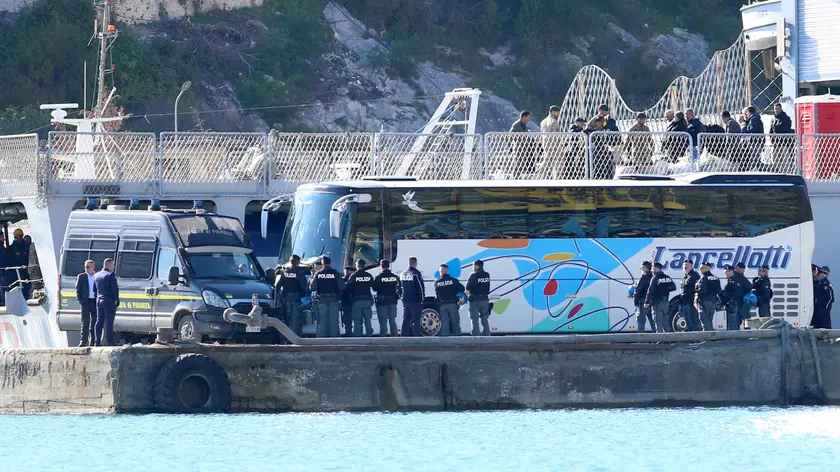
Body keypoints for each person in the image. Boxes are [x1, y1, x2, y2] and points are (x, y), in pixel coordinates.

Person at [309, 256, 344, 337]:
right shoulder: (335, 273)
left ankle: (322, 339)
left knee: (322, 320)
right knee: (333, 320)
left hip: (321, 300)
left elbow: (312, 288)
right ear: (330, 263)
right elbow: (342, 287)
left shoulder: (318, 273)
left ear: (322, 263)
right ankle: (334, 339)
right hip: (333, 299)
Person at [277, 255, 309, 335]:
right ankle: (293, 337)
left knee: (289, 317)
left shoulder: (285, 272)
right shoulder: (299, 272)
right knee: (296, 319)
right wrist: (306, 297)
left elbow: (278, 285)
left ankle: (288, 336)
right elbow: (304, 286)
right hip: (297, 298)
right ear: (298, 262)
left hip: (287, 298)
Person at [93, 258, 119, 346]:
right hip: (109, 301)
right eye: (113, 265)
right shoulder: (110, 275)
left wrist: (98, 297)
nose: (113, 267)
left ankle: (97, 341)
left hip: (99, 300)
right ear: (109, 265)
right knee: (109, 321)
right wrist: (116, 299)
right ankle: (110, 341)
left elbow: (94, 290)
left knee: (99, 321)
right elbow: (114, 290)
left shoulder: (96, 275)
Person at [434, 264, 465, 336]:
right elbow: (462, 289)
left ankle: (445, 339)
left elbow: (437, 294)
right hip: (453, 304)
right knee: (455, 322)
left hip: (443, 305)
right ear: (447, 271)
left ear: (440, 271)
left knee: (444, 323)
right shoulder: (453, 280)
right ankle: (457, 338)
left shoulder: (437, 282)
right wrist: (459, 298)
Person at [644, 262, 675, 333]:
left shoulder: (655, 278)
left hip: (657, 303)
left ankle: (659, 338)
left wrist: (647, 302)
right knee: (665, 322)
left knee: (658, 322)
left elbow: (650, 291)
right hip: (666, 303)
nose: (652, 270)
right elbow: (674, 287)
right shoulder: (667, 277)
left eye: (652, 268)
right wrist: (666, 290)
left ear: (656, 268)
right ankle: (668, 337)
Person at [373, 259, 401, 337]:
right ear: (389, 266)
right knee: (392, 320)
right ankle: (395, 337)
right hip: (392, 301)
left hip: (382, 302)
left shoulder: (379, 277)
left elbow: (374, 288)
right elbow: (399, 287)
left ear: (381, 266)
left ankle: (383, 339)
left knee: (383, 321)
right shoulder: (395, 277)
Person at [347, 259, 374, 337]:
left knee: (357, 320)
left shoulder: (353, 276)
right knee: (367, 319)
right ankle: (369, 335)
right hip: (367, 300)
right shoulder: (368, 275)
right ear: (364, 265)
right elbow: (374, 286)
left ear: (357, 265)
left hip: (357, 301)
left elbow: (348, 288)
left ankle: (358, 336)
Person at [400, 256, 425, 336]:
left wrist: (401, 296)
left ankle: (403, 336)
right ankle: (416, 337)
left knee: (405, 319)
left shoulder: (402, 274)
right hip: (415, 301)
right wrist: (422, 300)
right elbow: (420, 288)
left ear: (408, 263)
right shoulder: (416, 274)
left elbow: (398, 287)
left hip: (405, 300)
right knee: (416, 320)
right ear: (415, 263)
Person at [722, 264, 751, 330]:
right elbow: (749, 287)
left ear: (731, 271)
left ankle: (735, 336)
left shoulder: (732, 280)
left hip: (735, 304)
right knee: (746, 321)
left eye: (726, 272)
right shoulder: (740, 277)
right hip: (742, 303)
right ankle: (748, 334)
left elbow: (727, 293)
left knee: (734, 323)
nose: (725, 274)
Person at [466, 259, 491, 336]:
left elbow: (467, 288)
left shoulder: (473, 275)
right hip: (485, 300)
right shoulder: (487, 275)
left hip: (475, 300)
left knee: (474, 318)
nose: (473, 267)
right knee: (484, 318)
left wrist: (468, 296)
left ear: (476, 266)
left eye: (473, 265)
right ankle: (487, 333)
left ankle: (476, 334)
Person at [75, 260, 97, 347]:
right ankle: (83, 342)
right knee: (85, 322)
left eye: (88, 267)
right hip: (86, 302)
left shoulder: (97, 276)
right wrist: (81, 301)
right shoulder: (81, 277)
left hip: (95, 301)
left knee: (95, 323)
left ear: (93, 267)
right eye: (85, 267)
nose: (86, 268)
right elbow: (78, 290)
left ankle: (93, 341)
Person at [695, 261, 722, 331]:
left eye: (702, 268)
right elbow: (719, 291)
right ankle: (711, 333)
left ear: (707, 268)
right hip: (713, 301)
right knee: (709, 319)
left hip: (704, 301)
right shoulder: (716, 278)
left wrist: (696, 289)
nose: (700, 269)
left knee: (703, 318)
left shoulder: (703, 278)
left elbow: (702, 290)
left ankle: (706, 335)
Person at [7, 228, 30, 299]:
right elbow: (9, 261)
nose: (16, 238)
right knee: (16, 288)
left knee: (26, 288)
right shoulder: (11, 249)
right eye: (15, 237)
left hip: (25, 272)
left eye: (18, 237)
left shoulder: (26, 247)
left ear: (21, 236)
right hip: (15, 273)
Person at [633, 261, 655, 332]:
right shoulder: (653, 277)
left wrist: (636, 302)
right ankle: (656, 336)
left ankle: (641, 337)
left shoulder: (642, 278)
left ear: (645, 268)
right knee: (653, 321)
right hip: (652, 302)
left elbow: (638, 291)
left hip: (643, 302)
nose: (641, 269)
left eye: (642, 268)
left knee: (640, 321)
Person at [680, 260, 701, 331]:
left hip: (691, 302)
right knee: (688, 320)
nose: (685, 267)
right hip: (685, 302)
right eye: (684, 265)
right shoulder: (685, 277)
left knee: (694, 320)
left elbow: (697, 289)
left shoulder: (695, 276)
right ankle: (691, 334)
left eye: (687, 265)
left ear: (692, 266)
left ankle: (696, 335)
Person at [341, 266, 355, 336]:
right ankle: (354, 333)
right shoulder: (354, 278)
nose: (346, 272)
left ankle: (348, 333)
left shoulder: (342, 280)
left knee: (347, 319)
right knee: (354, 318)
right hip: (352, 301)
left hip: (346, 302)